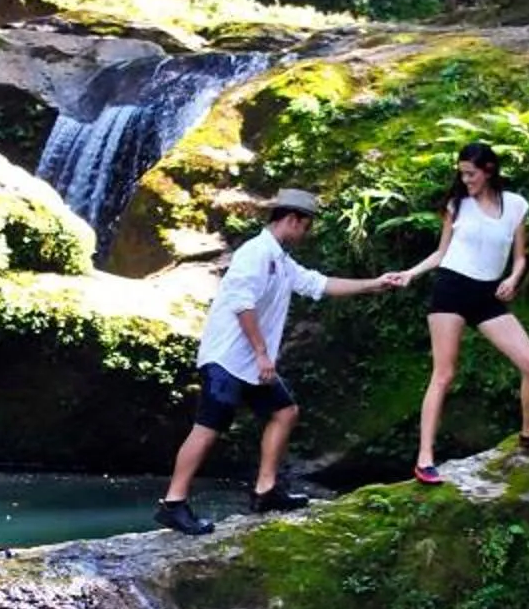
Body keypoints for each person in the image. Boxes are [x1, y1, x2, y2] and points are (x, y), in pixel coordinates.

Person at [156, 188, 398, 536]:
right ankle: (173, 504)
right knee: (208, 427)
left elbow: (318, 284)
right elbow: (242, 303)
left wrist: (374, 285)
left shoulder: (280, 260)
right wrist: (261, 352)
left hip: (251, 363)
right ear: (292, 220)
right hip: (227, 357)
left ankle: (265, 490)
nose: (307, 233)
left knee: (285, 412)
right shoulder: (254, 253)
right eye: (307, 226)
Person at [392, 142, 529, 484]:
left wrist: (514, 277)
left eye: (470, 173)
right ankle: (424, 459)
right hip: (451, 288)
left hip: (488, 295)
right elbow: (440, 253)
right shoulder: (457, 205)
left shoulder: (516, 205)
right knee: (443, 374)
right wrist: (411, 273)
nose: (465, 179)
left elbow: (520, 256)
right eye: (461, 173)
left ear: (489, 170)